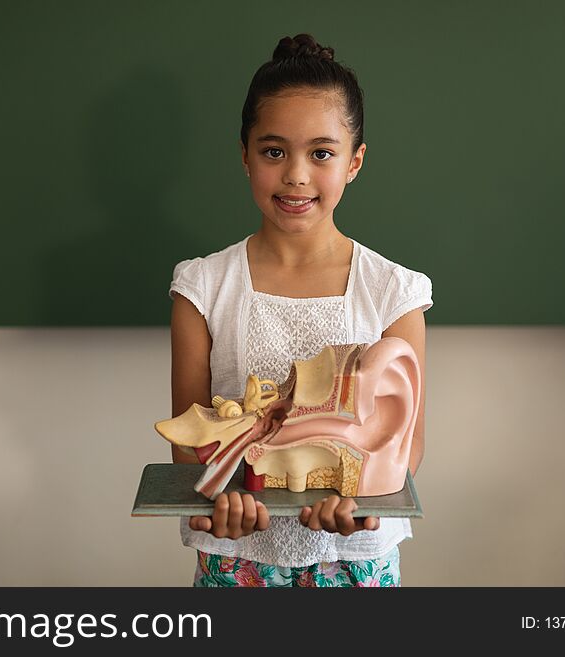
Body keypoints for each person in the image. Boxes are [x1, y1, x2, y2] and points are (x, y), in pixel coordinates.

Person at [168, 34, 432, 587]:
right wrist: (220, 498)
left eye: (321, 153)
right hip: (238, 563)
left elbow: (408, 446)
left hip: (356, 562)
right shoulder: (203, 287)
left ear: (354, 161)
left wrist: (359, 497)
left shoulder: (393, 291)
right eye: (273, 151)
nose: (296, 175)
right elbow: (192, 448)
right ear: (244, 154)